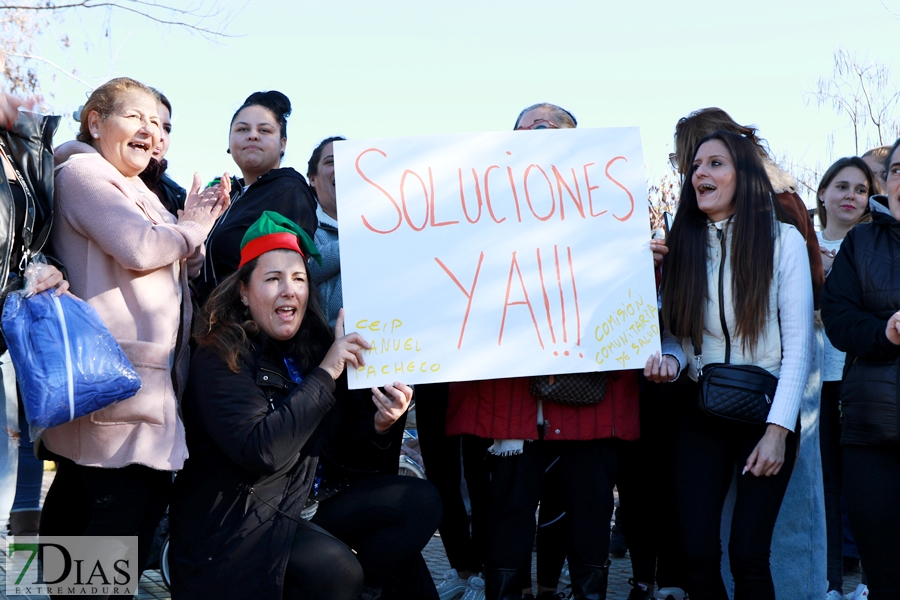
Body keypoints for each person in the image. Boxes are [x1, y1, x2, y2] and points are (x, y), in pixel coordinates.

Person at [169, 211, 440, 600]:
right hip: (239, 521)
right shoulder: (220, 354)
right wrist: (328, 371)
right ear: (243, 292)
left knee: (420, 502)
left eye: (298, 279)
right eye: (273, 279)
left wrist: (382, 424)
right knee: (336, 569)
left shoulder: (311, 348)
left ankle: (368, 591)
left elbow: (349, 457)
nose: (289, 290)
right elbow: (262, 451)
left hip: (305, 502)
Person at [38, 77, 230, 587]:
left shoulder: (135, 187)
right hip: (116, 381)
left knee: (94, 515)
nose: (153, 132)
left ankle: (56, 590)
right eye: (138, 118)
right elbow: (141, 249)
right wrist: (192, 228)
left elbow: (174, 263)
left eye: (162, 125)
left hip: (141, 383)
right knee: (116, 524)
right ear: (96, 122)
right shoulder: (83, 173)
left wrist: (189, 232)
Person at [446, 102, 640, 600]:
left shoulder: (612, 211)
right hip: (508, 401)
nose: (537, 135)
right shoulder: (475, 213)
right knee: (507, 514)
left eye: (549, 128)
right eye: (526, 128)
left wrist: (643, 263)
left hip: (591, 399)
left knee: (590, 513)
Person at [647, 130, 813, 599]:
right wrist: (671, 362)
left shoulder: (785, 242)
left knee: (748, 557)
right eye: (696, 166)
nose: (700, 172)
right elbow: (679, 338)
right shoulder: (682, 242)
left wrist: (778, 432)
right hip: (700, 414)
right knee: (696, 557)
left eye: (715, 163)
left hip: (767, 413)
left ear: (743, 175)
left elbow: (799, 346)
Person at [820, 137, 900, 599]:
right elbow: (839, 317)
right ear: (885, 184)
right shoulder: (862, 243)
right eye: (896, 170)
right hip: (873, 436)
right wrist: (884, 334)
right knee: (885, 572)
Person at [0, 53, 68, 537]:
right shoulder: (87, 174)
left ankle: (25, 575)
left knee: (21, 465)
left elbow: (35, 245)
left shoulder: (26, 148)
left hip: (20, 331)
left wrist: (48, 270)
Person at [815, 157, 879, 600]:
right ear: (822, 194)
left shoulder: (878, 247)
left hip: (861, 379)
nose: (850, 196)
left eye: (860, 189)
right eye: (841, 186)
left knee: (868, 486)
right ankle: (830, 583)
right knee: (826, 485)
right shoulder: (800, 245)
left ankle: (873, 583)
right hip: (815, 381)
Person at [196, 90, 318, 305]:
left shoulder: (289, 190)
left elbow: (282, 274)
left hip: (250, 330)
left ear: (283, 144)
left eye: (264, 130)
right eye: (243, 129)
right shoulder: (227, 193)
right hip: (207, 329)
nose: (252, 135)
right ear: (229, 141)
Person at [307, 135, 344, 328]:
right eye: (331, 162)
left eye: (347, 160)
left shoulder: (386, 222)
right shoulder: (305, 226)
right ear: (312, 178)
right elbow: (305, 269)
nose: (340, 167)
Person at [139, 90, 186, 216]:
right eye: (152, 124)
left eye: (167, 129)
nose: (161, 136)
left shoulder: (176, 194)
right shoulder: (94, 175)